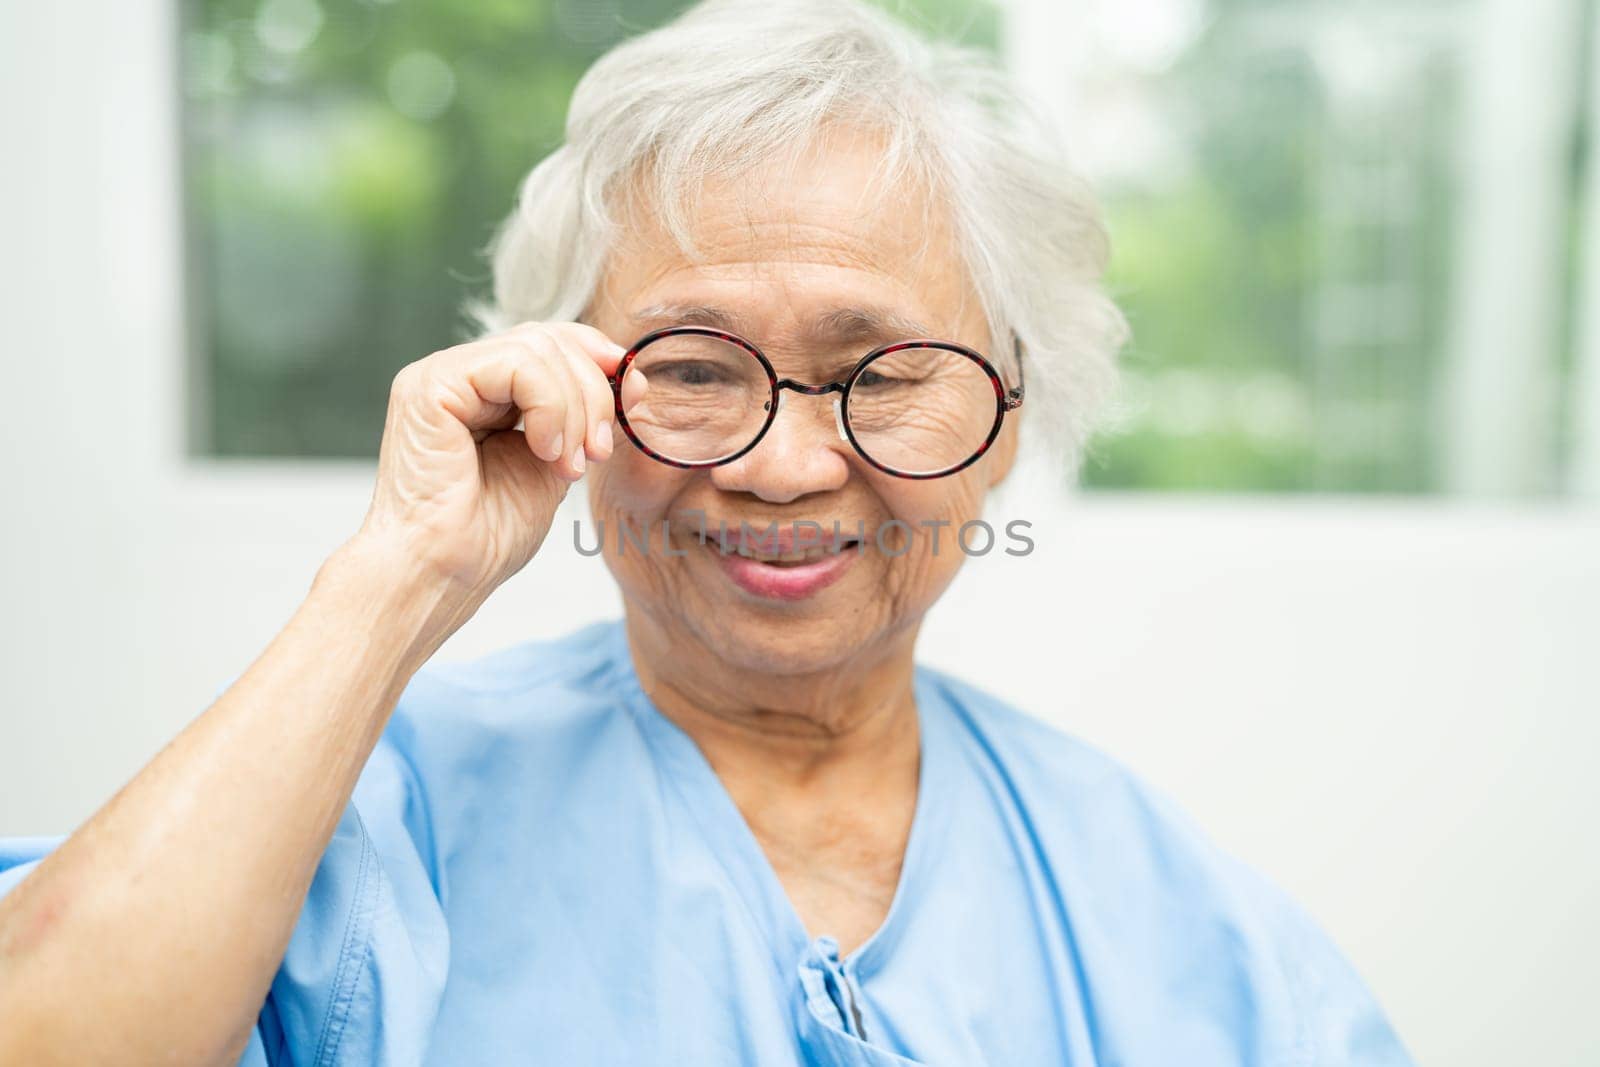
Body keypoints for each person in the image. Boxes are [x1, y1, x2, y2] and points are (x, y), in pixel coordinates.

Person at [0, 0, 1414, 1063]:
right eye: (689, 369)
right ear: (565, 405)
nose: (790, 465)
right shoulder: (368, 835)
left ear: (1010, 415)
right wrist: (394, 580)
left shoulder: (1172, 923)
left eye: (888, 372)